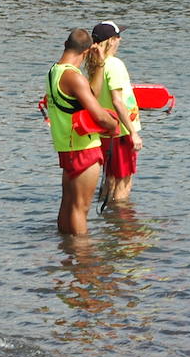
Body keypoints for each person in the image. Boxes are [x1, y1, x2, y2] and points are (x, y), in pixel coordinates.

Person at [47, 28, 120, 235]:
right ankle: (84, 258)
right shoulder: (74, 77)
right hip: (84, 148)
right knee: (81, 208)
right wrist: (114, 124)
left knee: (68, 205)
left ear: (65, 45)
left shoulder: (54, 71)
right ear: (86, 52)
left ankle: (67, 254)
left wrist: (99, 66)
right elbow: (99, 115)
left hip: (66, 148)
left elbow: (90, 95)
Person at [84, 20, 143, 205]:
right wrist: (133, 133)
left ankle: (108, 220)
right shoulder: (115, 65)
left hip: (105, 131)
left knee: (109, 177)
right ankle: (121, 222)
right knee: (123, 180)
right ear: (110, 41)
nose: (120, 40)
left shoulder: (94, 66)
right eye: (118, 37)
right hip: (122, 131)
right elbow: (117, 101)